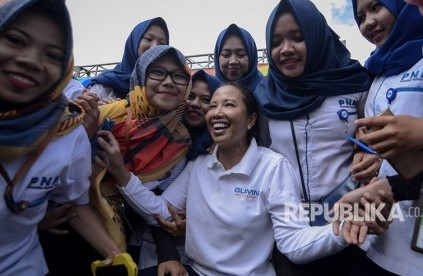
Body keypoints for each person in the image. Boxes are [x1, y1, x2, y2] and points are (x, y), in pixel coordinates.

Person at [94, 80, 371, 275]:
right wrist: (120, 171)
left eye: (228, 105)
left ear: (250, 121)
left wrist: (344, 230)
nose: (216, 112)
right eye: (212, 106)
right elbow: (160, 211)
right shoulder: (199, 165)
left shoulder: (273, 167)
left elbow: (293, 243)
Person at [0, 0, 122, 275]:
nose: (31, 60)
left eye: (53, 55)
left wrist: (116, 254)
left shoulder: (67, 133)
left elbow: (73, 205)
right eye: (16, 40)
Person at [252, 0, 373, 274]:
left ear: (317, 36)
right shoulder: (264, 98)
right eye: (277, 41)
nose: (286, 49)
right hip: (289, 228)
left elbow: (374, 143)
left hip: (351, 221)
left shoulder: (355, 83)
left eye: (298, 37)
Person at [348, 0, 423, 275]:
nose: (368, 22)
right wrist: (370, 156)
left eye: (376, 8)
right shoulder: (376, 72)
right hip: (381, 236)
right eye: (360, 17)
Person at [92, 45, 192, 276]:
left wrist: (119, 170)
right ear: (140, 77)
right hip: (80, 226)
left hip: (136, 242)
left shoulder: (181, 139)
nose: (168, 82)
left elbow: (163, 209)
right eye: (157, 72)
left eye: (178, 76)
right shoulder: (105, 116)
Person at [89, 17, 169, 101]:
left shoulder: (170, 86)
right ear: (134, 42)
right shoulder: (105, 84)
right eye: (149, 39)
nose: (154, 47)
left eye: (162, 43)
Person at [182, 69, 222, 161]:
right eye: (190, 96)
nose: (195, 104)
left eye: (206, 100)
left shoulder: (222, 148)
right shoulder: (165, 132)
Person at [214, 23, 263, 91]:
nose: (233, 61)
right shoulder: (207, 91)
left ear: (251, 57)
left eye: (241, 55)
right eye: (226, 55)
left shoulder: (267, 91)